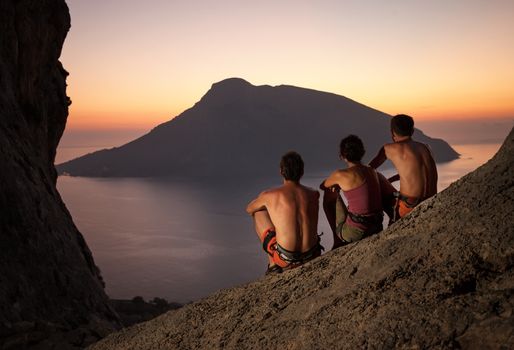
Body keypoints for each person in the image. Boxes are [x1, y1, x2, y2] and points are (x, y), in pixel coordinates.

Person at [246, 151, 323, 274]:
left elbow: (249, 209)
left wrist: (270, 206)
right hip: (312, 254)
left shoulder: (269, 195)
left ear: (281, 172)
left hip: (286, 259)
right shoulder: (314, 194)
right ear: (302, 172)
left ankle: (272, 266)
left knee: (258, 212)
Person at [320, 135, 393, 249]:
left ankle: (337, 241)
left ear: (342, 155)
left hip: (357, 232)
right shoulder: (372, 170)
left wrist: (337, 184)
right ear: (362, 152)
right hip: (377, 226)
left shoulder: (341, 174)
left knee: (329, 192)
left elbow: (323, 186)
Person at [369, 114, 438, 222]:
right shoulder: (426, 147)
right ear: (412, 131)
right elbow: (414, 173)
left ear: (392, 132)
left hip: (409, 207)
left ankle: (389, 221)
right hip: (432, 202)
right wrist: (391, 180)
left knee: (377, 176)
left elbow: (367, 170)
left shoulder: (389, 148)